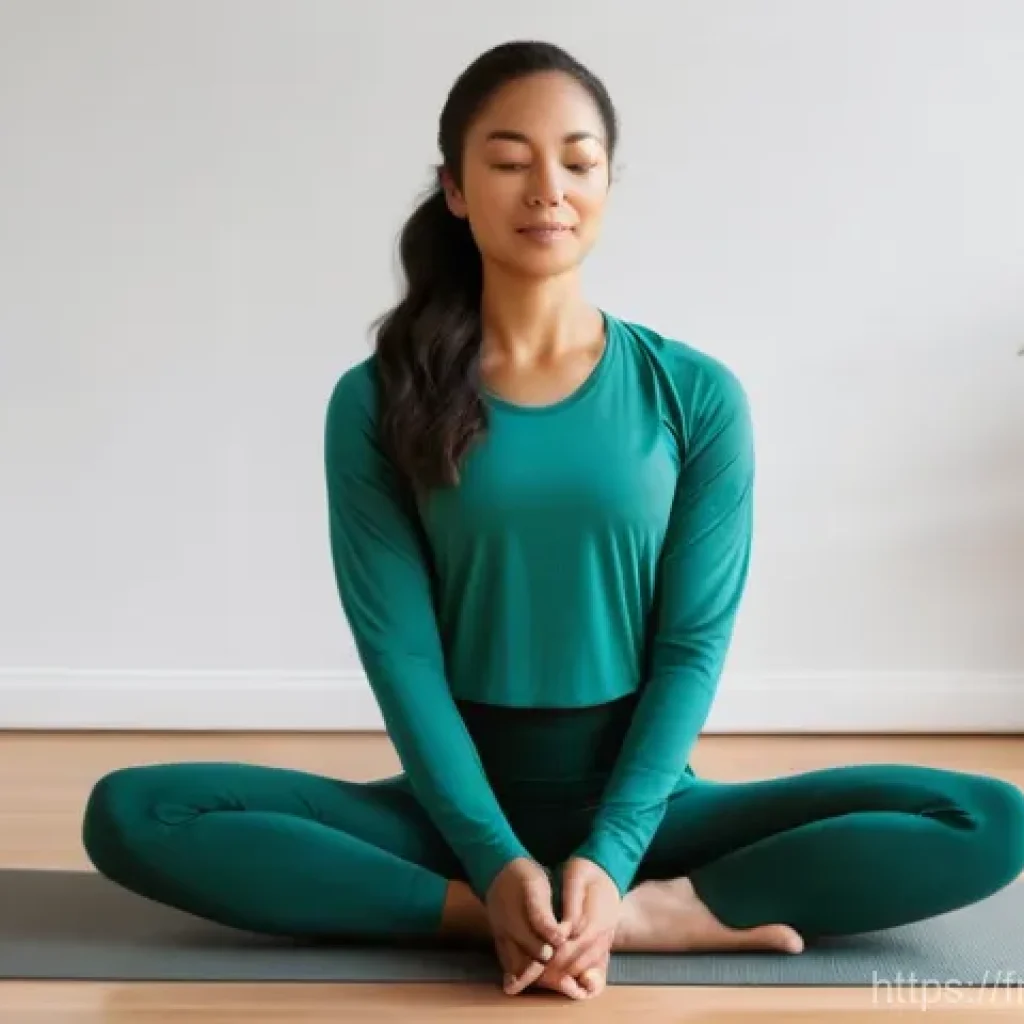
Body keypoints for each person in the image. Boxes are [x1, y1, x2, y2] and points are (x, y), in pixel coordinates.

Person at [80, 39, 1024, 1002]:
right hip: (454, 817)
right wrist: (493, 866)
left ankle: (652, 914)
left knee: (988, 820)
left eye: (577, 161)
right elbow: (401, 658)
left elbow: (691, 648)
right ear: (455, 189)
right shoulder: (374, 401)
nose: (548, 190)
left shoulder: (697, 394)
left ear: (609, 182)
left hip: (649, 814)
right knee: (134, 814)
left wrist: (613, 858)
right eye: (508, 161)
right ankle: (492, 917)